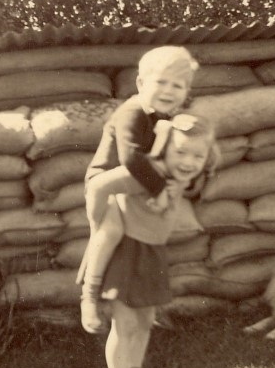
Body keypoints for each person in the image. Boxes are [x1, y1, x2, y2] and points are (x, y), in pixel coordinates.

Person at [89, 113, 218, 368]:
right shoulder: (145, 176)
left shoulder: (183, 176)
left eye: (198, 155)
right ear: (162, 150)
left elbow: (192, 174)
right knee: (125, 326)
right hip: (125, 254)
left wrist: (176, 188)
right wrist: (98, 224)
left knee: (146, 320)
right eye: (180, 152)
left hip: (152, 254)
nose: (189, 161)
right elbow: (98, 185)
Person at [77, 46, 199, 334]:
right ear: (142, 83)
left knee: (144, 239)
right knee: (109, 232)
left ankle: (142, 303)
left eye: (177, 85)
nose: (169, 91)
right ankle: (89, 297)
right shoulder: (131, 112)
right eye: (161, 82)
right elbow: (131, 158)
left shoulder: (164, 116)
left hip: (135, 183)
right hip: (106, 181)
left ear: (186, 91)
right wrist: (161, 190)